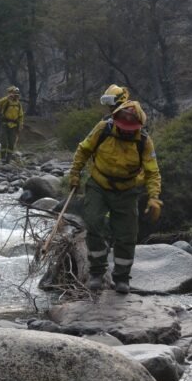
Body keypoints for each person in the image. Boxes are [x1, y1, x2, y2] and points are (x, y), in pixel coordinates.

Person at [68, 100, 162, 294]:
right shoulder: (103, 129)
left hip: (127, 190)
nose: (126, 130)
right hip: (99, 185)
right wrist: (75, 174)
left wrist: (154, 197)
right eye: (123, 127)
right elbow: (84, 149)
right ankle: (96, 272)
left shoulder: (144, 141)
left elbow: (152, 172)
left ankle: (121, 277)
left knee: (127, 234)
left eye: (131, 128)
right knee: (93, 222)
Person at [0, 85, 24, 164]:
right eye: (13, 93)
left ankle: (8, 159)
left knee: (12, 143)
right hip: (5, 124)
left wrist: (20, 125)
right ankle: (2, 158)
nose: (15, 95)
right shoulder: (5, 101)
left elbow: (21, 115)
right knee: (4, 142)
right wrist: (7, 97)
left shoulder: (18, 104)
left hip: (14, 126)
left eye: (16, 93)